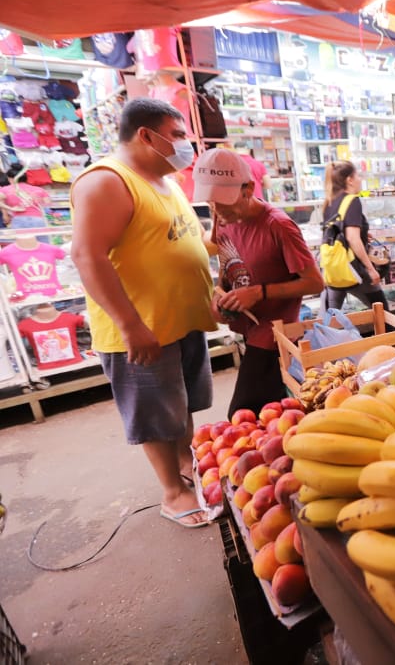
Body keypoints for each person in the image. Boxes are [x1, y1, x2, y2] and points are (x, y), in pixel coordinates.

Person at [70, 98, 216, 529]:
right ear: (147, 136)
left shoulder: (164, 182)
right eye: (178, 135)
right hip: (142, 330)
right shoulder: (107, 181)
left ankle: (187, 471)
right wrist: (131, 325)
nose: (185, 145)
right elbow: (86, 255)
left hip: (180, 322)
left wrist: (215, 242)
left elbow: (175, 239)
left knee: (181, 407)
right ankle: (173, 493)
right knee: (154, 417)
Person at [193, 148, 323, 417]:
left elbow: (314, 283)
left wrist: (259, 293)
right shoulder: (222, 219)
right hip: (246, 331)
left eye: (225, 201)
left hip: (274, 337)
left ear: (248, 189)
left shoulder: (279, 226)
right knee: (275, 415)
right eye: (211, 202)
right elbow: (228, 263)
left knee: (241, 414)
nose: (217, 209)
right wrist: (221, 295)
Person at [321, 161, 387, 314]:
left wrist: (362, 232)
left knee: (330, 318)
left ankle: (327, 338)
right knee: (383, 313)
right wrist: (371, 269)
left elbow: (335, 232)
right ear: (349, 180)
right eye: (357, 175)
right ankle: (388, 338)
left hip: (334, 268)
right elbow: (352, 238)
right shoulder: (352, 200)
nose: (360, 179)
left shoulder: (330, 201)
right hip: (354, 267)